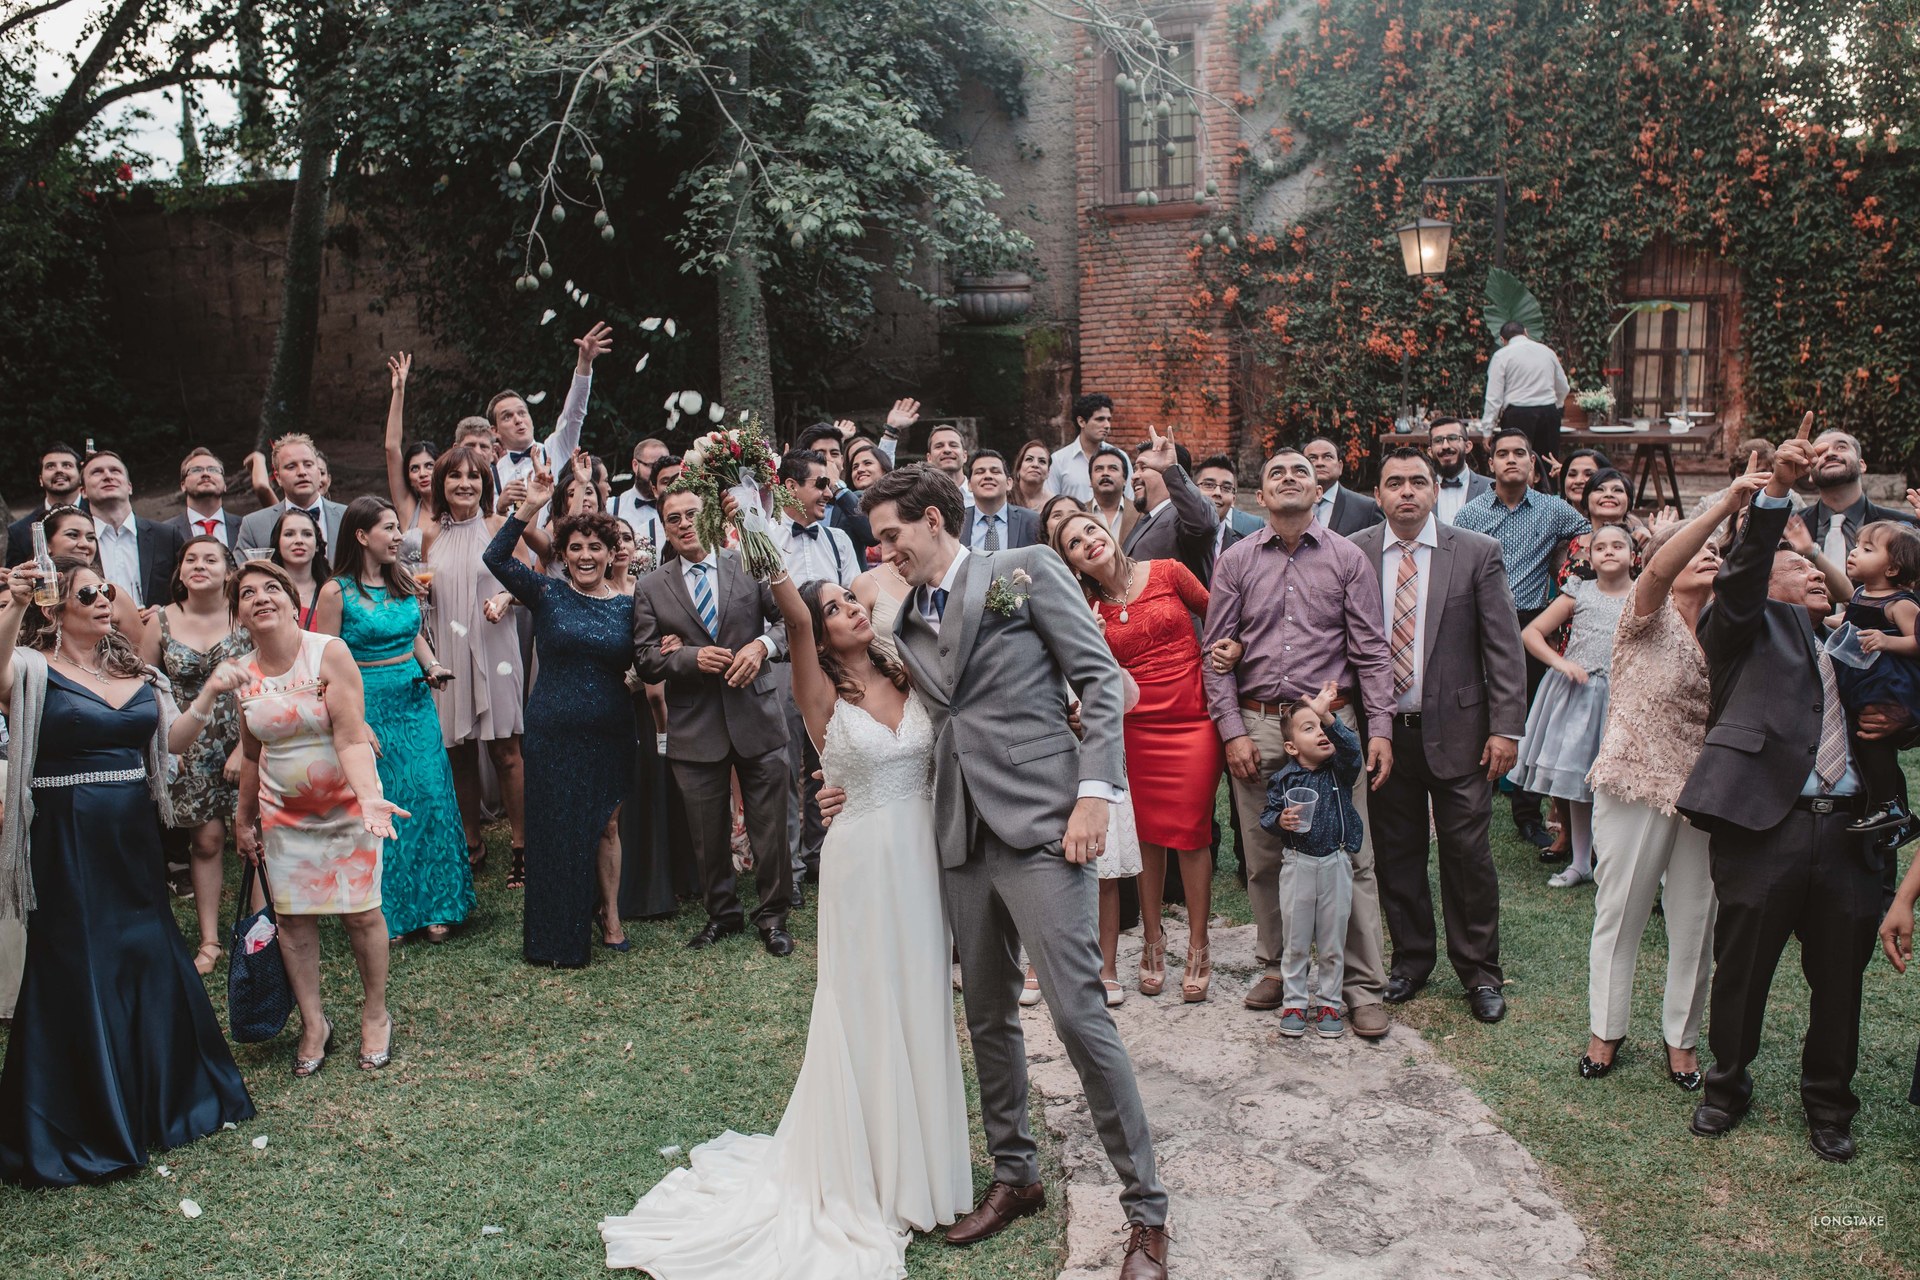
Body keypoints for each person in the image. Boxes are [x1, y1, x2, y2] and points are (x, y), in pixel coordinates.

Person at [600, 563, 971, 1277]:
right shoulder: (818, 685)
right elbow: (794, 622)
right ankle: (873, 1172)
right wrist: (769, 557)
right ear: (820, 634)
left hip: (921, 860)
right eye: (834, 609)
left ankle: (925, 1165)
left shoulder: (909, 670)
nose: (848, 612)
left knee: (922, 1001)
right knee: (868, 1008)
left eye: (849, 602)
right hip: (863, 865)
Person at [859, 465, 1169, 1277]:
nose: (883, 549)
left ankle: (1146, 1214)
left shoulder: (1021, 571)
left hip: (1043, 825)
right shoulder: (909, 616)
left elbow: (1100, 680)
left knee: (1077, 1015)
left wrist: (1095, 793)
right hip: (959, 833)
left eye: (892, 533)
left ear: (932, 520)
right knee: (988, 1014)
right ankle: (1016, 1174)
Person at [1675, 414, 1896, 1163]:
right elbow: (1740, 575)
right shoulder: (1743, 628)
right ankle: (1725, 1087)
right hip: (1765, 825)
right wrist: (1777, 493)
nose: (1813, 570)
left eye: (1818, 568)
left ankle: (1830, 1106)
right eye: (1796, 565)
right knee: (1742, 970)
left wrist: (1900, 719)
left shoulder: (1857, 635)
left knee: (1840, 983)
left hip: (1850, 833)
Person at [0, 557, 255, 1185]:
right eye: (85, 591)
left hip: (132, 835)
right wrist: (9, 605)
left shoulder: (136, 671)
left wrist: (212, 694)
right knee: (80, 953)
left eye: (108, 591)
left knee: (144, 948)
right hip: (67, 836)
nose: (101, 600)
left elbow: (170, 741)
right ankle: (85, 1112)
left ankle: (163, 1099)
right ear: (54, 606)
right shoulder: (33, 670)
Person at [1201, 447, 1397, 1039]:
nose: (1289, 479)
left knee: (1351, 855)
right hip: (1260, 725)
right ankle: (1277, 970)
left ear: (1320, 492)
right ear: (1258, 498)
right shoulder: (1235, 561)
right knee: (1264, 856)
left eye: (1301, 472)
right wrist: (1232, 730)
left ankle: (1361, 986)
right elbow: (1216, 656)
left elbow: (1369, 651)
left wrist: (1380, 728)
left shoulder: (1347, 559)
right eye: (1276, 473)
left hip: (1329, 730)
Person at [1581, 473, 1766, 1088]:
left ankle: (1681, 1043)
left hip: (1703, 794)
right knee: (1621, 912)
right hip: (1635, 780)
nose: (1711, 555)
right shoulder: (1644, 617)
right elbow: (1659, 571)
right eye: (1701, 548)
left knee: (1695, 922)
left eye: (1719, 551)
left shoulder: (1729, 633)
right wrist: (1722, 509)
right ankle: (1605, 1033)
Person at [1350, 449, 1526, 1020]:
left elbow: (1503, 647)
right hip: (1384, 735)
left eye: (1417, 482)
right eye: (1394, 482)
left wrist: (1505, 728)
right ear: (1377, 493)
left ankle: (1479, 973)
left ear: (1435, 491)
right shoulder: (1353, 553)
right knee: (1397, 852)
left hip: (1461, 731)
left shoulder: (1476, 552)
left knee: (1467, 853)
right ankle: (1411, 961)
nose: (1406, 492)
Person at [231, 559, 404, 1077]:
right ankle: (313, 1021)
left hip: (349, 807)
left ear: (291, 600)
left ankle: (375, 1012)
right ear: (238, 613)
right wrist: (245, 821)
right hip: (283, 815)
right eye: (246, 593)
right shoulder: (243, 674)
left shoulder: (329, 652)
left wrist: (368, 796)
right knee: (292, 920)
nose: (260, 597)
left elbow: (351, 736)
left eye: (271, 588)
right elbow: (250, 755)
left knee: (361, 912)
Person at [1053, 498, 1224, 1003]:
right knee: (1147, 833)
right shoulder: (1087, 611)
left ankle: (1198, 943)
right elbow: (1084, 679)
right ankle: (1152, 939)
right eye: (1075, 545)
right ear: (1075, 564)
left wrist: (1226, 652)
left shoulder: (1169, 571)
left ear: (1105, 529)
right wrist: (1097, 641)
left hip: (1192, 719)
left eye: (1089, 531)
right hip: (1135, 728)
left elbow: (1219, 615)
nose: (1088, 542)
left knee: (1191, 834)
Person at [632, 488, 795, 955]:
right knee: (706, 833)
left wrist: (761, 646)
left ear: (708, 518)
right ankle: (722, 914)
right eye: (672, 518)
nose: (683, 523)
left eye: (691, 514)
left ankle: (774, 916)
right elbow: (645, 658)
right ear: (664, 528)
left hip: (756, 715)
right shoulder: (651, 586)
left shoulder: (749, 562)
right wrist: (688, 658)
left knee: (770, 825)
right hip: (694, 723)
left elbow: (790, 621)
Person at [484, 473, 638, 967]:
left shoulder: (630, 608)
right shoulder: (547, 593)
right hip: (552, 731)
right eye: (576, 547)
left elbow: (647, 660)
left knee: (606, 826)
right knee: (553, 829)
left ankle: (610, 915)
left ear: (612, 553)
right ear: (564, 554)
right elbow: (495, 559)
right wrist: (528, 507)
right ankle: (554, 933)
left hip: (610, 730)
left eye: (596, 546)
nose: (586, 555)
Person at [316, 497, 471, 943]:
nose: (399, 536)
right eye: (389, 528)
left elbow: (415, 634)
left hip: (414, 700)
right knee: (383, 806)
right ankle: (393, 912)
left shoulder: (401, 577)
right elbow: (322, 661)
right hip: (365, 705)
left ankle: (440, 905)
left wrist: (433, 666)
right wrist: (352, 722)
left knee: (429, 796)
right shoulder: (335, 591)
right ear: (362, 536)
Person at [1453, 427, 1592, 851]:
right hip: (1479, 621)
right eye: (1502, 454)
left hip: (1532, 622)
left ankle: (1528, 813)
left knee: (1530, 717)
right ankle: (1470, 798)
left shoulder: (1554, 510)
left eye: (1520, 453)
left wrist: (1578, 555)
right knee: (1475, 708)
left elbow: (1589, 531)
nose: (1511, 459)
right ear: (1490, 463)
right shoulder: (1471, 514)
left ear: (1532, 463)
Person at [138, 535, 251, 973]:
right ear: (180, 573)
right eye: (190, 559)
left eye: (211, 558)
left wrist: (246, 746)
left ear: (229, 571)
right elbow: (144, 683)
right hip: (189, 743)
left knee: (252, 838)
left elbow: (264, 674)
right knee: (205, 841)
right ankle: (210, 941)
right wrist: (166, 746)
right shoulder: (161, 621)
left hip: (246, 736)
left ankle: (258, 933)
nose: (199, 565)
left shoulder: (244, 613)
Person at [420, 446, 528, 878]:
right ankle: (472, 841)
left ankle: (522, 845)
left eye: (474, 475)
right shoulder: (430, 535)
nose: (465, 483)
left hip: (494, 645)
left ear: (486, 483)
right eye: (455, 476)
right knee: (457, 750)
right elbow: (424, 589)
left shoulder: (499, 526)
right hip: (447, 649)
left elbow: (530, 584)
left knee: (506, 751)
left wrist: (506, 596)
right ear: (440, 484)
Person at [1510, 524, 1636, 887]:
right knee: (1579, 782)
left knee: (1617, 784)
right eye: (1601, 547)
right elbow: (1531, 633)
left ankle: (1616, 861)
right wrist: (1563, 662)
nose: (1609, 552)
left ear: (1632, 555)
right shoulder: (1577, 592)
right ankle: (1581, 861)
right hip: (1578, 696)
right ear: (1590, 557)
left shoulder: (1643, 594)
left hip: (1623, 697)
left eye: (1618, 546)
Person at [771, 448, 858, 898]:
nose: (829, 491)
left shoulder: (838, 541)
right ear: (790, 487)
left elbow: (853, 596)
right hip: (781, 668)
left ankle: (826, 857)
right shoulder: (766, 536)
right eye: (820, 483)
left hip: (833, 673)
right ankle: (792, 872)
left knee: (830, 765)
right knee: (785, 770)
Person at [1259, 684, 1364, 1038]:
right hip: (1298, 864)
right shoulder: (1283, 779)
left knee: (1333, 939)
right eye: (1309, 728)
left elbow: (1351, 747)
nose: (1320, 733)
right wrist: (1280, 820)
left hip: (1335, 862)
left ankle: (1330, 1003)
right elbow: (1267, 816)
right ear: (1290, 747)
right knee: (1297, 938)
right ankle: (1295, 1002)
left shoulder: (1340, 771)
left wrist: (1326, 715)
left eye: (1321, 728)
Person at [1830, 520, 1920, 838]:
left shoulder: (1900, 603)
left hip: (1888, 685)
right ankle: (1893, 812)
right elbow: (1849, 620)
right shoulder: (1860, 593)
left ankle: (1889, 806)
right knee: (1863, 741)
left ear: (1893, 569)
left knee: (1873, 740)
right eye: (1857, 546)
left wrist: (1887, 641)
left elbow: (1917, 641)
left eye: (1867, 549)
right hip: (1862, 679)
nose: (1855, 552)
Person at [487, 321, 612, 511]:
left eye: (522, 413)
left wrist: (584, 363)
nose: (518, 420)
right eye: (507, 417)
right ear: (494, 431)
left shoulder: (556, 447)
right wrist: (500, 505)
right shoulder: (491, 474)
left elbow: (574, 413)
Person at [83, 451, 183, 609]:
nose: (108, 476)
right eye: (97, 472)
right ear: (83, 491)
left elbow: (185, 591)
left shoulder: (166, 536)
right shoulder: (77, 544)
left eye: (115, 471)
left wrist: (166, 613)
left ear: (129, 487)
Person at [1803, 428, 1916, 562]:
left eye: (1841, 447)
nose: (1830, 453)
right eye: (1820, 452)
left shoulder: (1906, 528)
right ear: (1810, 474)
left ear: (1861, 465)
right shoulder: (1787, 526)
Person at [1480, 320, 1569, 473]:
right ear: (1526, 332)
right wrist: (1557, 406)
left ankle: (1515, 496)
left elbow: (1494, 397)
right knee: (1548, 465)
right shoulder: (1547, 352)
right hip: (1548, 412)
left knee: (1515, 464)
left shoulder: (1501, 355)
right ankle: (1549, 495)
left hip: (1517, 414)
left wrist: (1487, 430)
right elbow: (1563, 387)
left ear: (1502, 340)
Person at [236, 433, 346, 553]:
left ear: (319, 472)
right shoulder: (254, 526)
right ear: (278, 478)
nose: (302, 472)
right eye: (291, 467)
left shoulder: (347, 517)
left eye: (308, 465)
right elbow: (240, 570)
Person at [379, 353, 436, 556]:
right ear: (409, 479)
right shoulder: (408, 508)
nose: (422, 473)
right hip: (414, 586)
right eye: (414, 468)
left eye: (429, 465)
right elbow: (392, 448)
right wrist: (399, 391)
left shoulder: (458, 506)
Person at [4, 442, 84, 567]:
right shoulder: (19, 531)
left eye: (67, 465)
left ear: (80, 476)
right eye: (50, 466)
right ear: (40, 480)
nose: (59, 470)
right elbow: (14, 578)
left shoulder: (100, 516)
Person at [959, 449, 1041, 551]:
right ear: (969, 485)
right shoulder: (956, 521)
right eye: (980, 472)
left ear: (1009, 483)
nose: (988, 476)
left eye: (995, 471)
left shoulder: (1032, 521)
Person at [1304, 436, 1383, 535]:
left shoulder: (1367, 509)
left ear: (1340, 466)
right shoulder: (1289, 504)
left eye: (1328, 457)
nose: (1320, 463)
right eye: (1312, 458)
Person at [266, 507, 330, 629]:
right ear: (278, 544)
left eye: (307, 534)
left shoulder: (334, 590)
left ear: (317, 545)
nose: (299, 540)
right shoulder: (264, 593)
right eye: (289, 534)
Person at [1194, 453, 1262, 569]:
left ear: (1233, 499)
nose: (1217, 493)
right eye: (1209, 485)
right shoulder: (1174, 537)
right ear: (1193, 491)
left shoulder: (1244, 546)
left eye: (1226, 488)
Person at [165, 448, 242, 548]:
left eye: (213, 470)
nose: (206, 474)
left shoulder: (245, 527)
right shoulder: (165, 532)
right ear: (183, 485)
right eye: (196, 470)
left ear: (225, 485)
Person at [1049, 392, 1115, 502]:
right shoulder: (1058, 460)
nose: (1107, 425)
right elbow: (1051, 505)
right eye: (1100, 419)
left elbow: (1130, 503)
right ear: (1081, 422)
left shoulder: (1119, 458)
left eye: (1109, 419)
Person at [609, 435, 670, 547]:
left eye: (664, 467)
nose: (658, 474)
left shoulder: (679, 510)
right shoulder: (612, 507)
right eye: (652, 466)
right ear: (635, 465)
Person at [1427, 418, 1491, 524]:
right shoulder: (1421, 490)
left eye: (1452, 438)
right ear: (1430, 451)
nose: (1445, 446)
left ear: (1467, 446)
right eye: (1438, 440)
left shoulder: (1490, 488)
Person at [1087, 445, 1135, 541]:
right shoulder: (1079, 513)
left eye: (1113, 468)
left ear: (1125, 479)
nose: (1105, 473)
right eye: (1099, 469)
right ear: (1090, 481)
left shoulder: (1140, 514)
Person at [1556, 448, 1610, 512]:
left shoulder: (1619, 518)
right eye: (1572, 474)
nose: (1578, 481)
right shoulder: (1549, 515)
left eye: (1589, 474)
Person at [1010, 439, 1056, 511]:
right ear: (1018, 468)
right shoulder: (1004, 498)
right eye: (1029, 459)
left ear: (1048, 472)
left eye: (1042, 461)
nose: (1035, 465)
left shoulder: (1054, 503)